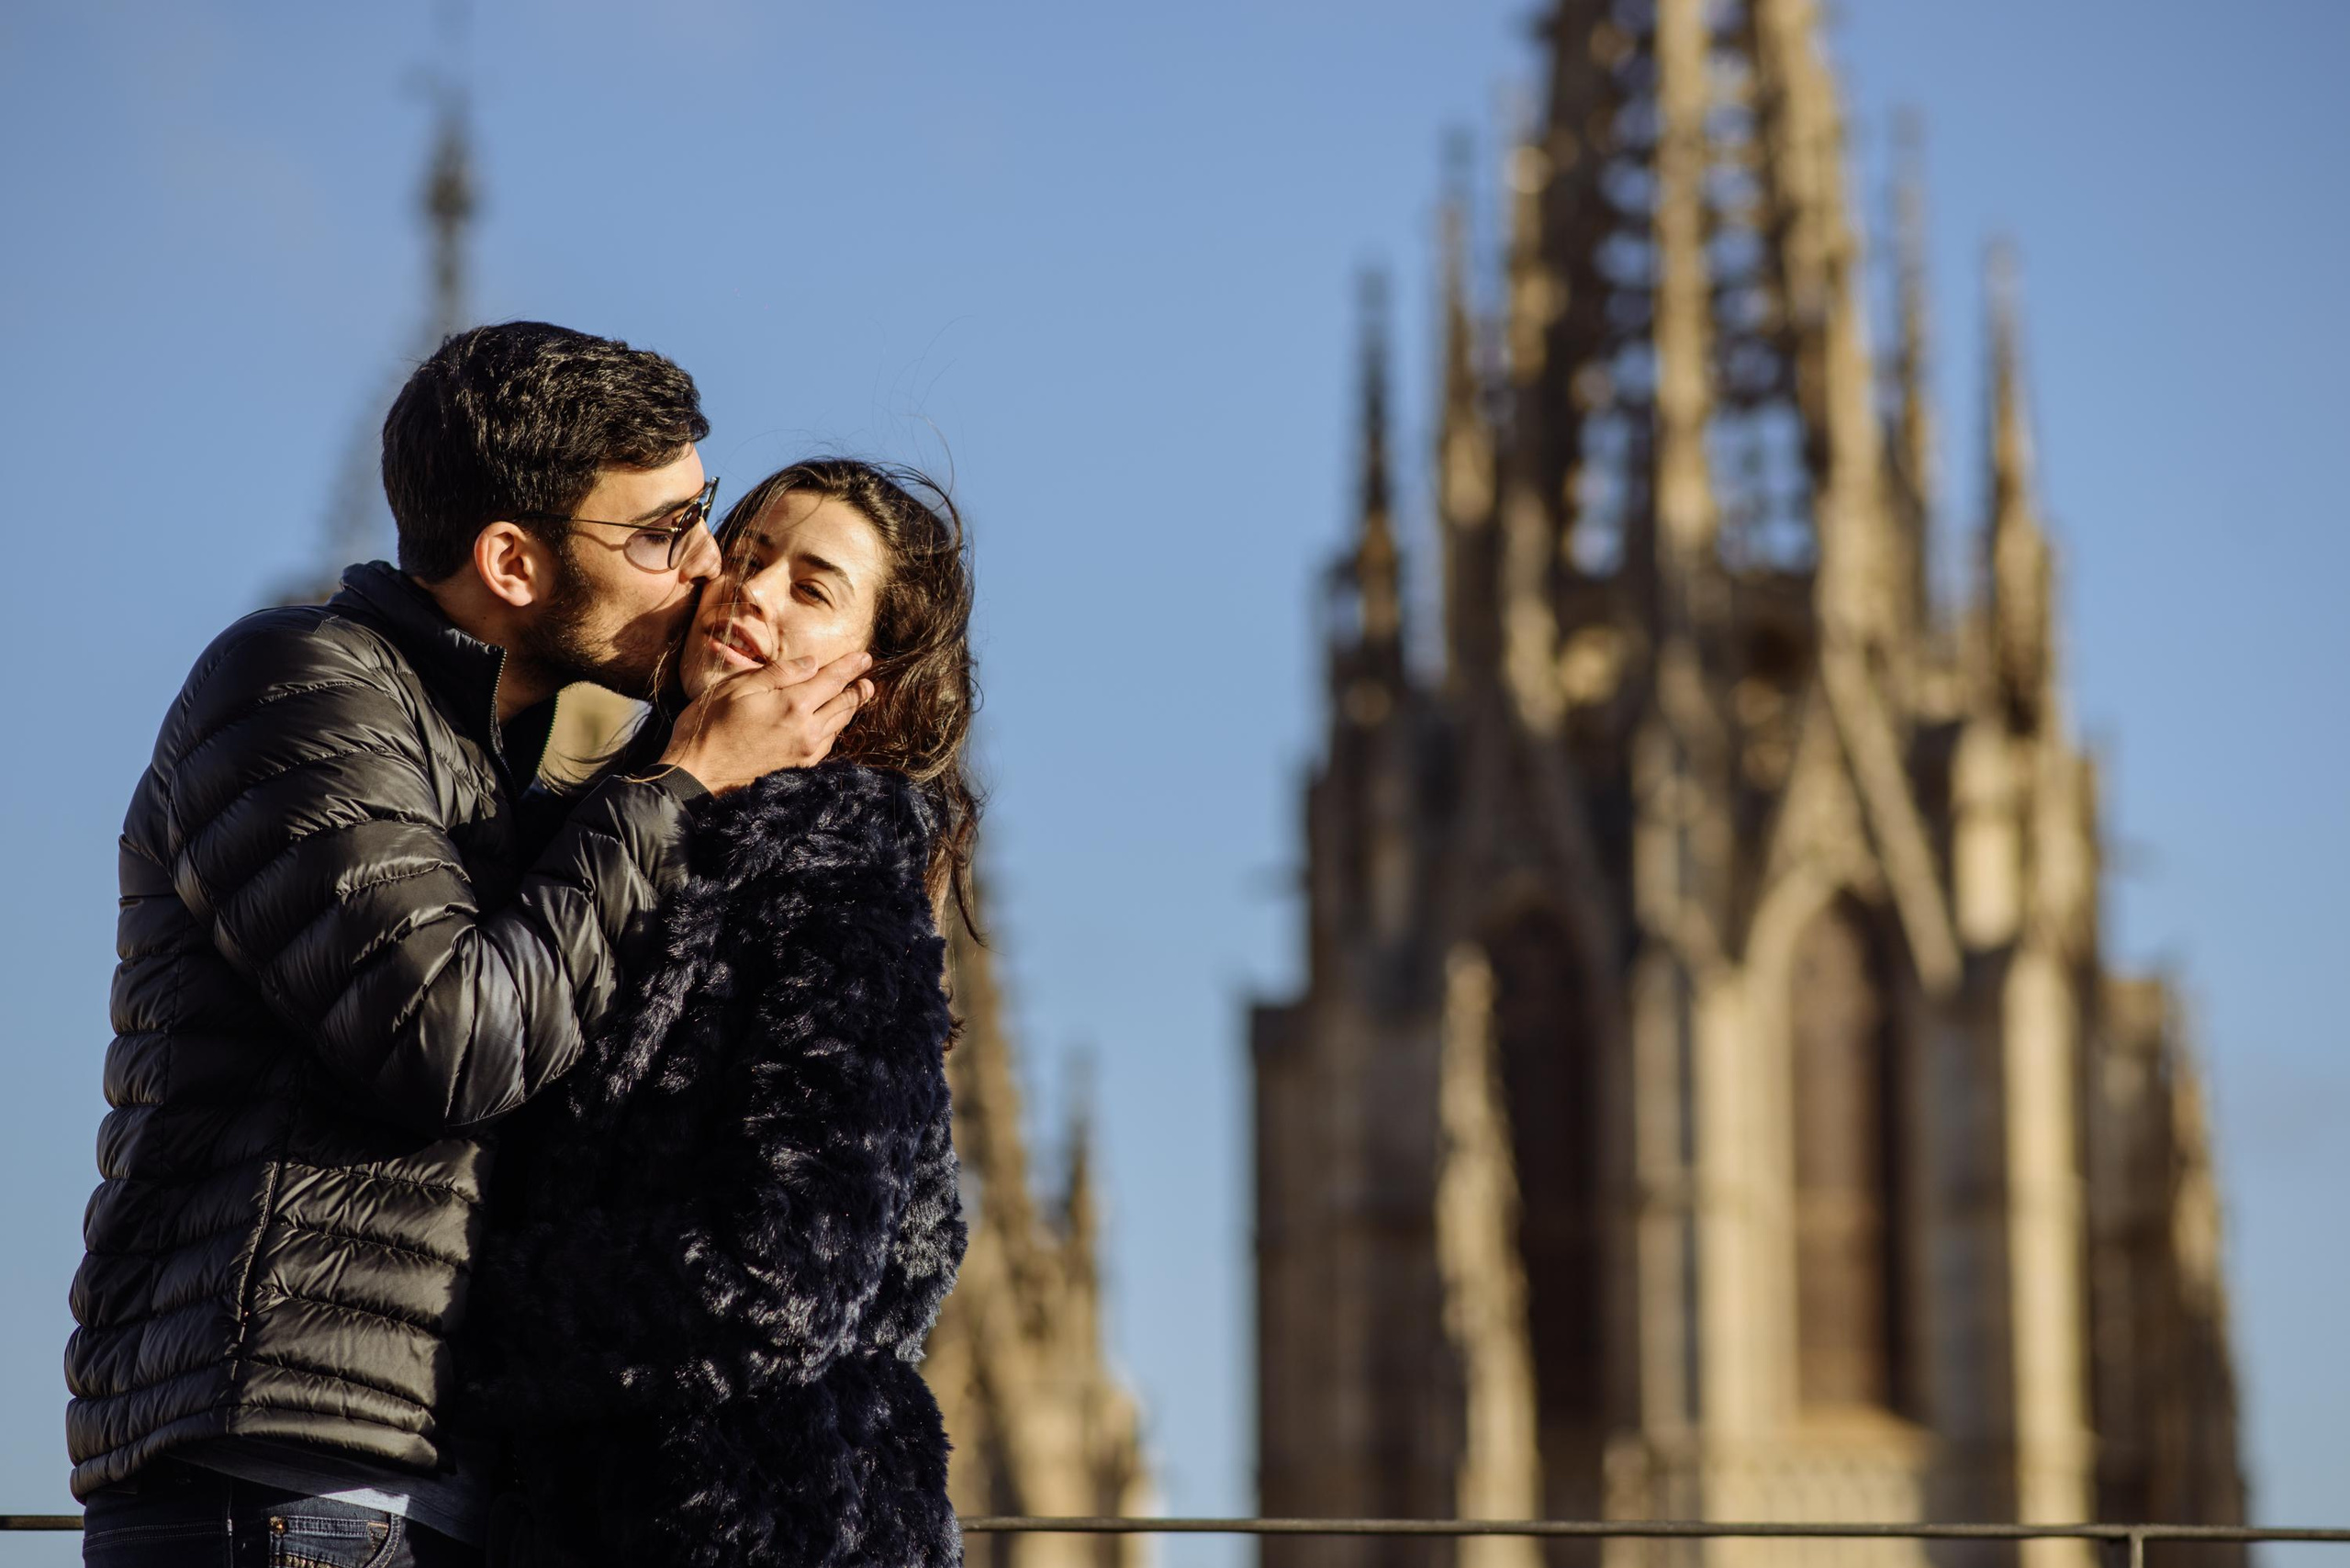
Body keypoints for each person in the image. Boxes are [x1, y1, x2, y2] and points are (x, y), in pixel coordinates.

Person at [68, 324, 874, 1566]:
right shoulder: (297, 685)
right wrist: (672, 788)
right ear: (511, 560)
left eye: (702, 515)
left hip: (420, 1489)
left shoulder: (504, 769)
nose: (708, 570)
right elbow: (447, 1042)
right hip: (296, 1483)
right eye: (665, 533)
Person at [467, 459, 979, 1568]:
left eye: (812, 586)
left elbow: (789, 1270)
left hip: (749, 1524)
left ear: (869, 684)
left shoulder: (837, 889)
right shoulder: (616, 836)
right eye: (743, 558)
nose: (752, 589)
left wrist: (465, 1307)